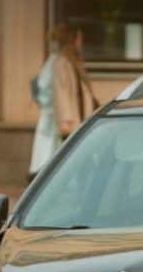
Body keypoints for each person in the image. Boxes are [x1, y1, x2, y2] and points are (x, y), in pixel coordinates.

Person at [28, 24, 98, 180]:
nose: (81, 42)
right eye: (79, 38)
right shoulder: (60, 62)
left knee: (74, 163)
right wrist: (65, 122)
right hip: (67, 124)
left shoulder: (70, 61)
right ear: (73, 40)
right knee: (58, 164)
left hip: (73, 122)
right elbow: (61, 93)